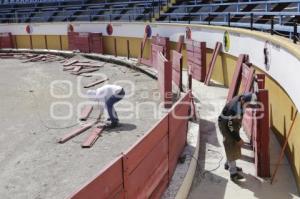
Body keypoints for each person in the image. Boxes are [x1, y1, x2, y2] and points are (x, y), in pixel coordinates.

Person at [218, 92, 257, 181]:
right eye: (248, 104)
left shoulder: (242, 99)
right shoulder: (234, 108)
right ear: (243, 100)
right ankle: (233, 173)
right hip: (225, 124)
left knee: (234, 145)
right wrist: (238, 139)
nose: (249, 107)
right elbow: (229, 126)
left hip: (231, 122)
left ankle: (229, 164)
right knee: (231, 145)